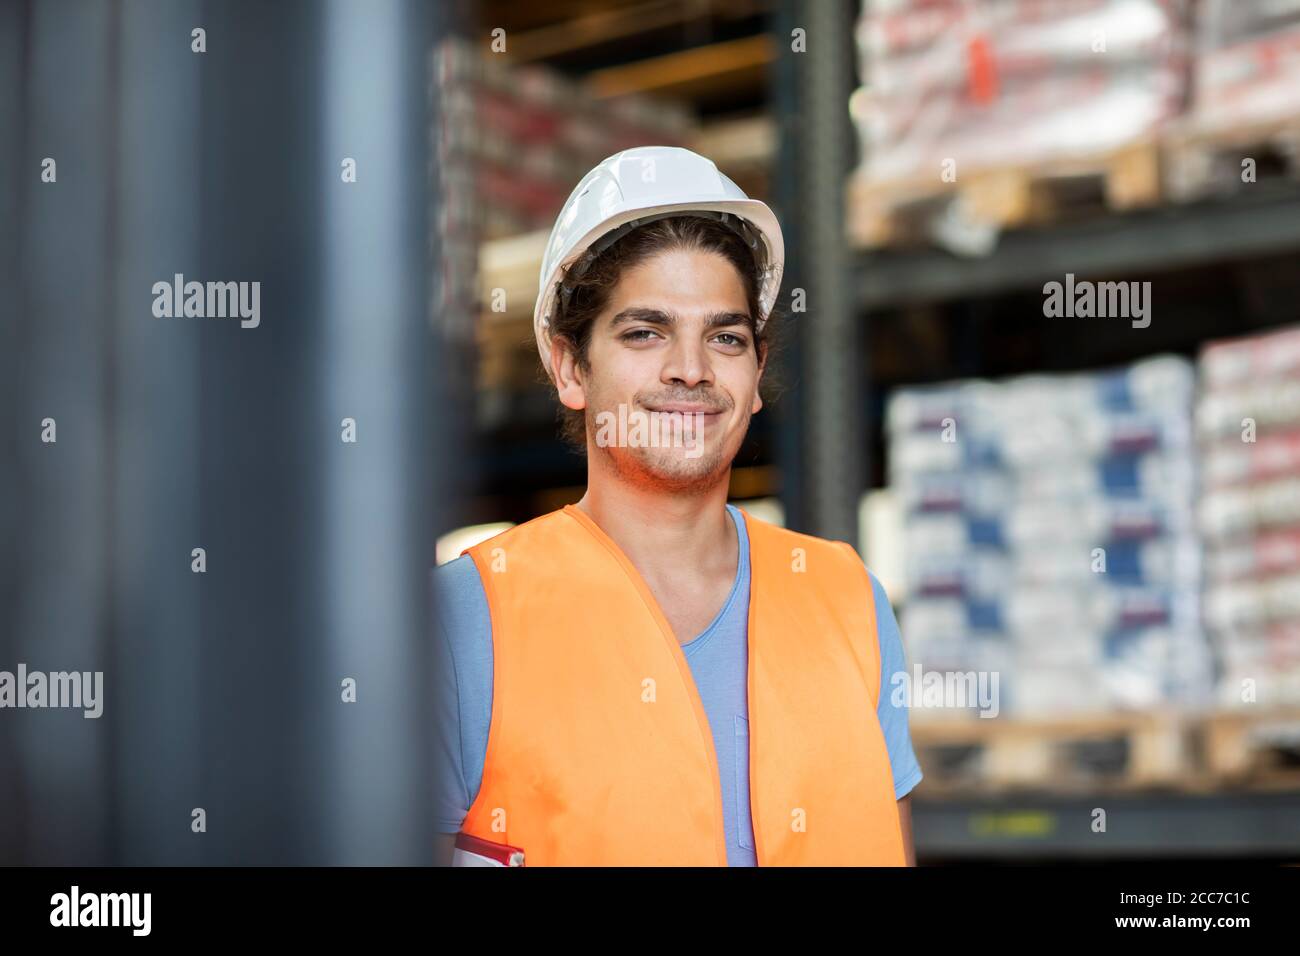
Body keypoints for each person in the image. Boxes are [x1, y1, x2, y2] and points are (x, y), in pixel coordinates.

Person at [432, 146, 922, 866]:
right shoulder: (465, 619)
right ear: (571, 367)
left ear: (755, 378)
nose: (690, 370)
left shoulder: (848, 599)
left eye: (725, 337)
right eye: (644, 332)